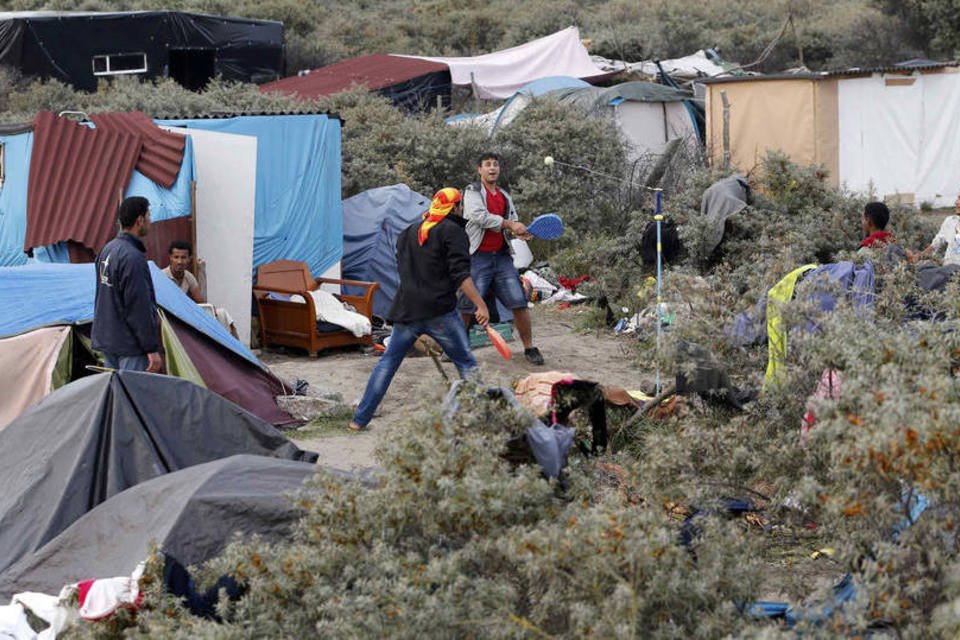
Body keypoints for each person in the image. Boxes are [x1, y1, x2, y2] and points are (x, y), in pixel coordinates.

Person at [348, 188, 489, 431]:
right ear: (455, 208)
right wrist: (480, 304)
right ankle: (483, 420)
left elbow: (406, 270)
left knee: (388, 362)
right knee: (466, 363)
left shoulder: (409, 232)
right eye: (460, 206)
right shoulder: (453, 231)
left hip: (407, 311)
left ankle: (359, 420)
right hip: (439, 312)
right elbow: (461, 274)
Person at [460, 152, 544, 365]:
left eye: (495, 165)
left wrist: (519, 232)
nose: (492, 168)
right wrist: (509, 225)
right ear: (479, 170)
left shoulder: (504, 195)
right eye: (487, 165)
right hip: (478, 256)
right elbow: (477, 216)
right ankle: (456, 348)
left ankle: (529, 348)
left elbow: (512, 220)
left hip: (502, 257)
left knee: (519, 301)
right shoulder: (472, 191)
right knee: (468, 304)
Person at [91, 196, 163, 372]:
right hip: (129, 346)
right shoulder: (133, 258)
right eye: (148, 216)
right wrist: (151, 348)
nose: (150, 221)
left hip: (108, 341)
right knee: (132, 396)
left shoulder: (106, 250)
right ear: (139, 221)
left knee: (118, 395)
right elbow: (139, 306)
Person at [909, 193, 960, 264]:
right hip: (949, 268)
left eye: (959, 198)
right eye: (957, 198)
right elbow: (936, 244)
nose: (956, 202)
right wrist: (918, 257)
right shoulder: (951, 221)